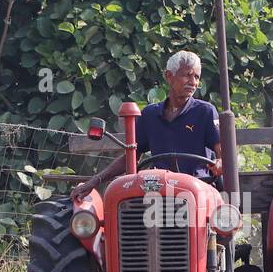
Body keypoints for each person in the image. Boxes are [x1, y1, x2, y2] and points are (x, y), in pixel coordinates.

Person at [70, 50, 222, 200]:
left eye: (196, 77)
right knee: (126, 202)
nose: (193, 82)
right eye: (187, 75)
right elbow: (131, 156)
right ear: (169, 76)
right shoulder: (150, 114)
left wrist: (220, 163)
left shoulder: (205, 112)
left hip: (197, 189)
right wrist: (94, 181)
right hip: (159, 190)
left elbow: (222, 153)